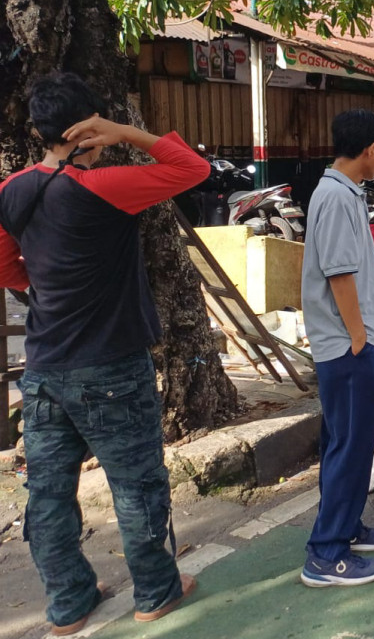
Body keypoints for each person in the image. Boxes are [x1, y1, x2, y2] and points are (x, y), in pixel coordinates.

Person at [0, 73, 209, 635]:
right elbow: (192, 169)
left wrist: (45, 286)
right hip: (111, 363)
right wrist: (124, 132)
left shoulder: (13, 189)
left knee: (47, 492)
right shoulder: (107, 185)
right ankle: (157, 591)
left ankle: (68, 603)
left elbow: (6, 266)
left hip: (44, 369)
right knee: (136, 483)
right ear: (85, 128)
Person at [300, 109, 374, 587]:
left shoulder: (345, 193)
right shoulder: (336, 198)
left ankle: (347, 527)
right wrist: (359, 336)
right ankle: (326, 553)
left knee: (353, 446)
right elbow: (339, 274)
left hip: (353, 342)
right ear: (368, 150)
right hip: (346, 346)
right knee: (348, 446)